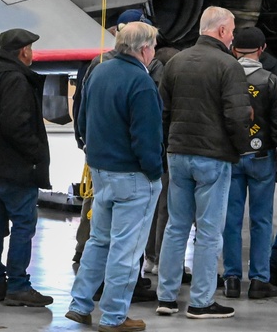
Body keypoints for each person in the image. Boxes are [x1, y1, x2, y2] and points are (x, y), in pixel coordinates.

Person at [155, 6, 253, 320]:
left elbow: (164, 112)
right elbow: (237, 115)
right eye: (233, 30)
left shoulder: (175, 62)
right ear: (223, 31)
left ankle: (167, 298)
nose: (234, 36)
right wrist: (240, 150)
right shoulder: (229, 65)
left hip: (178, 154)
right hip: (213, 157)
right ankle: (200, 302)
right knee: (209, 231)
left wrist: (168, 146)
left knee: (176, 226)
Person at [67, 22, 165, 332]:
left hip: (101, 172)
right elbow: (146, 137)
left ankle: (80, 304)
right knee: (127, 249)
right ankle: (113, 316)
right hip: (133, 177)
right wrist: (154, 172)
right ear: (144, 49)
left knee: (98, 241)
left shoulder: (99, 71)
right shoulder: (141, 82)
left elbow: (82, 118)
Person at [0, 28, 54, 307]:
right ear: (23, 51)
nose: (33, 53)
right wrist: (36, 152)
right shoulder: (16, 79)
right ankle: (17, 284)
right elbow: (16, 124)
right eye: (31, 48)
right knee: (23, 223)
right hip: (16, 167)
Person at [221, 26, 277, 300]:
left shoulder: (225, 76)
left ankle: (232, 279)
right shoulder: (271, 81)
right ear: (262, 49)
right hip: (262, 158)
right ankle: (260, 280)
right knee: (261, 221)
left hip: (231, 156)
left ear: (235, 49)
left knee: (231, 221)